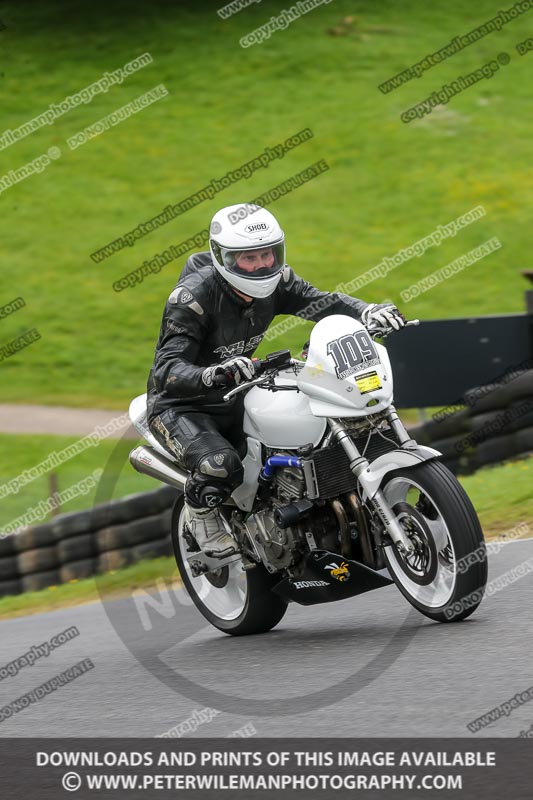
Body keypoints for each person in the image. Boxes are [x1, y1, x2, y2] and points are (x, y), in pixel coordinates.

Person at [146, 204, 406, 554]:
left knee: (312, 432)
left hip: (239, 389)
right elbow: (166, 370)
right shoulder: (192, 298)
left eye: (268, 254)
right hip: (181, 405)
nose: (262, 265)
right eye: (249, 258)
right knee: (221, 466)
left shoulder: (279, 282)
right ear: (224, 258)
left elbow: (323, 303)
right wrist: (211, 373)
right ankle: (200, 515)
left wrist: (367, 310)